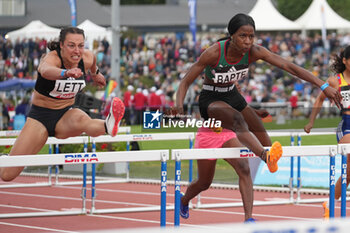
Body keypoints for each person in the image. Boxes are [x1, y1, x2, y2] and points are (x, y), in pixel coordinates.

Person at [176, 13, 342, 219]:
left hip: (232, 98)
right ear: (231, 36)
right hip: (211, 104)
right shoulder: (213, 53)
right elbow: (185, 82)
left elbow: (289, 66)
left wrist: (323, 85)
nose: (247, 42)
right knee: (206, 180)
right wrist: (179, 108)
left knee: (259, 145)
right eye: (242, 36)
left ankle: (249, 219)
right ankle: (184, 199)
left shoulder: (255, 52)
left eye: (251, 36)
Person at [0, 27, 125, 182]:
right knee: (7, 175)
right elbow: (45, 70)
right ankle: (4, 159)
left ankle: (109, 125)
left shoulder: (87, 57)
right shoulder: (52, 59)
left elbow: (92, 63)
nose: (77, 51)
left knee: (83, 121)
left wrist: (95, 74)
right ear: (61, 45)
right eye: (71, 45)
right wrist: (65, 73)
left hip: (66, 114)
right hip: (40, 118)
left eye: (80, 46)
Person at [181, 108, 269, 222]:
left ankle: (248, 218)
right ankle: (184, 200)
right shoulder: (212, 91)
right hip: (208, 136)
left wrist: (255, 112)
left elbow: (240, 105)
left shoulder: (234, 91)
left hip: (228, 134)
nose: (239, 88)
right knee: (204, 183)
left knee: (244, 168)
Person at [304, 45, 350, 218]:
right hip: (346, 126)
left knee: (349, 173)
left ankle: (330, 203)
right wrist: (311, 122)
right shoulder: (334, 81)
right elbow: (319, 99)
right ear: (345, 61)